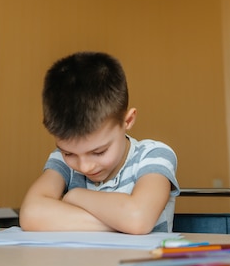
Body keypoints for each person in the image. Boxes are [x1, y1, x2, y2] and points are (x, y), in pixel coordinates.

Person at [19, 51, 179, 234]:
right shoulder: (61, 161)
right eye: (69, 153)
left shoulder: (153, 155)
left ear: (127, 121)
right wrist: (121, 224)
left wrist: (75, 196)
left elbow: (138, 219)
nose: (85, 167)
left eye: (99, 152)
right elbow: (31, 214)